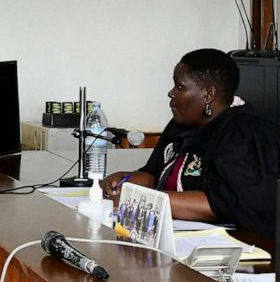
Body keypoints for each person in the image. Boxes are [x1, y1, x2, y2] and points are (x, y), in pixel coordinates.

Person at [101, 49, 280, 235]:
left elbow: (224, 204)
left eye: (180, 87)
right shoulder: (182, 123)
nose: (171, 93)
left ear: (208, 94)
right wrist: (125, 182)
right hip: (168, 235)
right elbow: (154, 174)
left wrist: (144, 200)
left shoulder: (244, 134)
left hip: (228, 247)